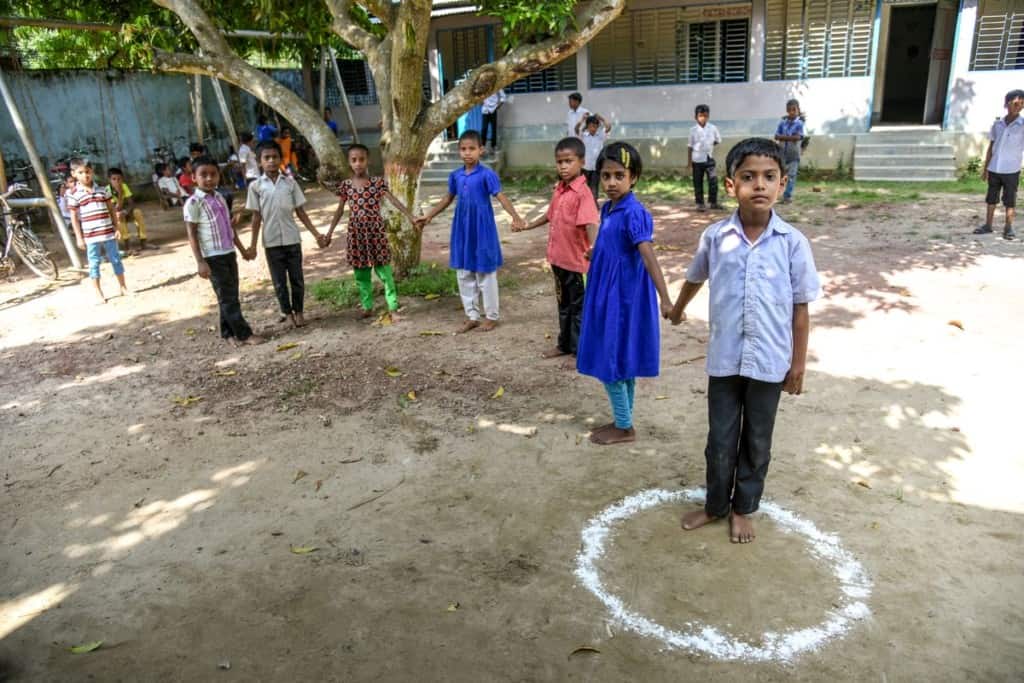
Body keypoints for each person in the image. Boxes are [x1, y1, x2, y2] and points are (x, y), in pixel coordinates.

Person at [670, 137, 821, 544]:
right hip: (724, 358)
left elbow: (801, 309)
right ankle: (716, 504)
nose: (759, 185)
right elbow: (695, 277)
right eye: (748, 176)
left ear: (783, 183)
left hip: (770, 362)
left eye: (769, 177)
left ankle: (743, 507)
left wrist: (798, 363)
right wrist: (678, 309)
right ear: (730, 184)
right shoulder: (716, 238)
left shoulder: (792, 243)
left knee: (757, 439)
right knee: (719, 438)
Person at [576, 142, 673, 445]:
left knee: (611, 360)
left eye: (619, 175)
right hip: (605, 292)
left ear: (634, 177)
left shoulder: (635, 213)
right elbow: (613, 245)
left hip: (622, 298)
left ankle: (625, 427)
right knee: (620, 358)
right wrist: (597, 254)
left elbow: (647, 255)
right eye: (606, 176)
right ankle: (624, 418)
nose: (611, 183)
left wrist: (666, 298)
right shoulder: (608, 209)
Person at [415, 130, 526, 333]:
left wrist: (515, 216)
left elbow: (500, 196)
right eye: (463, 149)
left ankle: (491, 316)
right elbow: (448, 198)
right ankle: (472, 315)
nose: (467, 153)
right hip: (462, 229)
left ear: (480, 150)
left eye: (472, 149)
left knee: (485, 272)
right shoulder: (455, 176)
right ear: (459, 151)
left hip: (482, 229)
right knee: (464, 273)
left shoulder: (487, 174)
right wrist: (429, 215)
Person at [513, 137, 599, 358]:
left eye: (568, 161)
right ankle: (564, 345)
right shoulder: (560, 189)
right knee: (563, 303)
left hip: (576, 263)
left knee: (578, 306)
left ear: (581, 161)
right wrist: (527, 225)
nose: (563, 166)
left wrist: (595, 248)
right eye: (559, 162)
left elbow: (591, 222)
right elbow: (549, 215)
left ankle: (579, 351)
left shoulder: (583, 193)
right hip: (558, 260)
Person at [325, 143, 416, 322]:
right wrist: (329, 232)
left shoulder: (377, 183)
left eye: (361, 159)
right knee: (361, 273)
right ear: (349, 162)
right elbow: (339, 210)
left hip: (375, 233)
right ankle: (367, 306)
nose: (358, 163)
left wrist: (410, 216)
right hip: (356, 235)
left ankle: (393, 306)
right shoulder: (346, 186)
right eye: (354, 160)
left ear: (368, 161)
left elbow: (393, 200)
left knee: (385, 272)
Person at [245, 140, 327, 328]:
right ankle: (287, 313)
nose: (271, 161)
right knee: (279, 282)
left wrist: (316, 234)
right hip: (271, 242)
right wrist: (252, 245)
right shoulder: (256, 187)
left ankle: (299, 312)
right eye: (267, 158)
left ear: (281, 159)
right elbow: (256, 218)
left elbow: (301, 212)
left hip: (292, 239)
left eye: (275, 157)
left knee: (297, 279)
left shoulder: (290, 184)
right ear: (259, 162)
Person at [184, 156, 263, 346]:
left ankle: (228, 333)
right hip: (212, 256)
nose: (209, 179)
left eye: (213, 174)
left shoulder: (219, 197)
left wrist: (243, 251)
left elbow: (229, 228)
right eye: (204, 175)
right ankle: (244, 334)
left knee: (229, 295)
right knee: (228, 297)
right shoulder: (194, 203)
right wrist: (200, 261)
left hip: (228, 252)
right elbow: (192, 234)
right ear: (194, 178)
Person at [66, 158, 128, 303]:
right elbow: (74, 217)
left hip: (108, 232)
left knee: (116, 259)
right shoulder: (73, 194)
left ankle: (123, 287)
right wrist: (79, 237)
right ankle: (98, 292)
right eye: (81, 172)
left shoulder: (102, 190)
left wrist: (116, 227)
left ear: (92, 172)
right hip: (90, 236)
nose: (85, 175)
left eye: (87, 172)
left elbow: (111, 210)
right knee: (94, 263)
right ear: (74, 174)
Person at [973, 89, 1024, 240]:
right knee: (991, 198)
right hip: (995, 167)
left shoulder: (1022, 126)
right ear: (1007, 104)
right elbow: (991, 146)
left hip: (1011, 169)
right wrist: (985, 168)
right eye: (1016, 103)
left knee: (1010, 199)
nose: (1019, 107)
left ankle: (1008, 228)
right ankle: (988, 225)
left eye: (1022, 104)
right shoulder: (997, 124)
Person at [107, 167, 151, 251]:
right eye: (114, 179)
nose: (117, 181)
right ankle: (127, 245)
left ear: (122, 178)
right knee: (119, 215)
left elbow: (131, 203)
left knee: (137, 212)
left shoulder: (124, 186)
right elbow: (115, 209)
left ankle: (143, 241)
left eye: (119, 179)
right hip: (114, 216)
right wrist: (120, 193)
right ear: (109, 180)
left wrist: (126, 211)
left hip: (125, 212)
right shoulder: (107, 190)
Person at [689, 104, 723, 211]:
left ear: (708, 116)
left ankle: (713, 202)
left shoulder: (713, 128)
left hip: (709, 158)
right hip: (697, 159)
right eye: (700, 116)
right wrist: (689, 162)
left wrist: (709, 145)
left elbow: (718, 140)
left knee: (713, 181)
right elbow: (690, 146)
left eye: (705, 116)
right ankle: (700, 204)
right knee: (697, 182)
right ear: (696, 117)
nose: (703, 118)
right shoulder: (693, 130)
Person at [774, 99, 804, 204]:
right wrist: (789, 137)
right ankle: (776, 194)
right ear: (787, 111)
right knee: (780, 175)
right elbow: (776, 136)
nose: (792, 112)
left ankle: (787, 196)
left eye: (794, 110)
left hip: (794, 155)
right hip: (781, 153)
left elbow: (798, 137)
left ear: (798, 110)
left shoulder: (799, 124)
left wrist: (784, 137)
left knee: (791, 175)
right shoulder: (782, 123)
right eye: (789, 110)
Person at [577, 114, 611, 200]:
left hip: (597, 167)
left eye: (595, 126)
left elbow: (608, 127)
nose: (593, 129)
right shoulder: (583, 135)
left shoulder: (600, 136)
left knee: (594, 186)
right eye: (591, 126)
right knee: (584, 186)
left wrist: (601, 118)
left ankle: (593, 204)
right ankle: (585, 204)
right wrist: (582, 119)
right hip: (585, 166)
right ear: (587, 126)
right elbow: (576, 129)